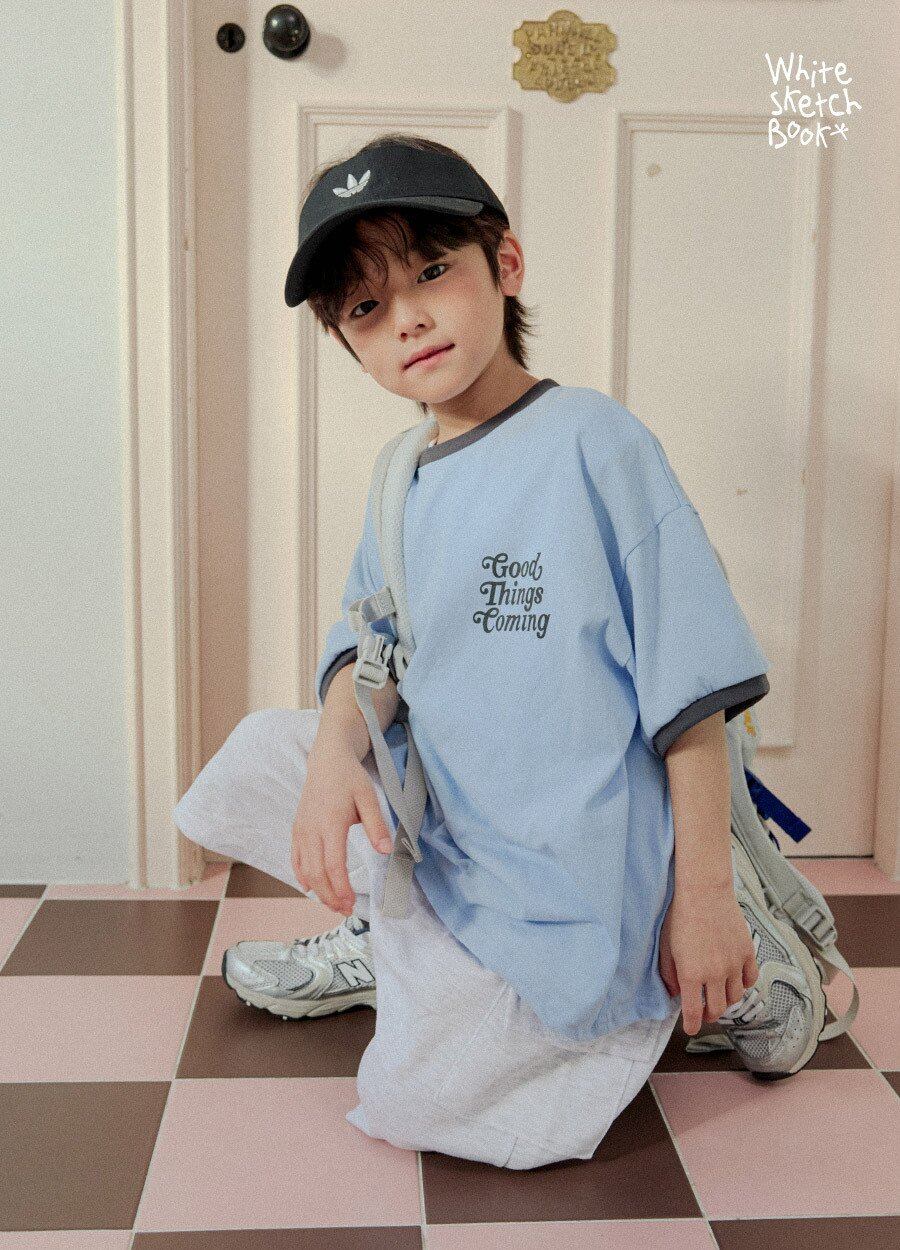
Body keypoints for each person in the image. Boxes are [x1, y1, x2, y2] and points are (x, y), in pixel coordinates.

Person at [173, 133, 820, 1170]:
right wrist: (336, 754)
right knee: (257, 755)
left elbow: (693, 691)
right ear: (347, 340)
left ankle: (720, 943)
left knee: (419, 1105)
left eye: (432, 271)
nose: (408, 317)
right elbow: (367, 648)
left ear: (504, 265)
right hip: (454, 826)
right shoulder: (401, 475)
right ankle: (403, 938)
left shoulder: (596, 442)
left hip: (571, 861)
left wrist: (698, 894)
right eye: (367, 307)